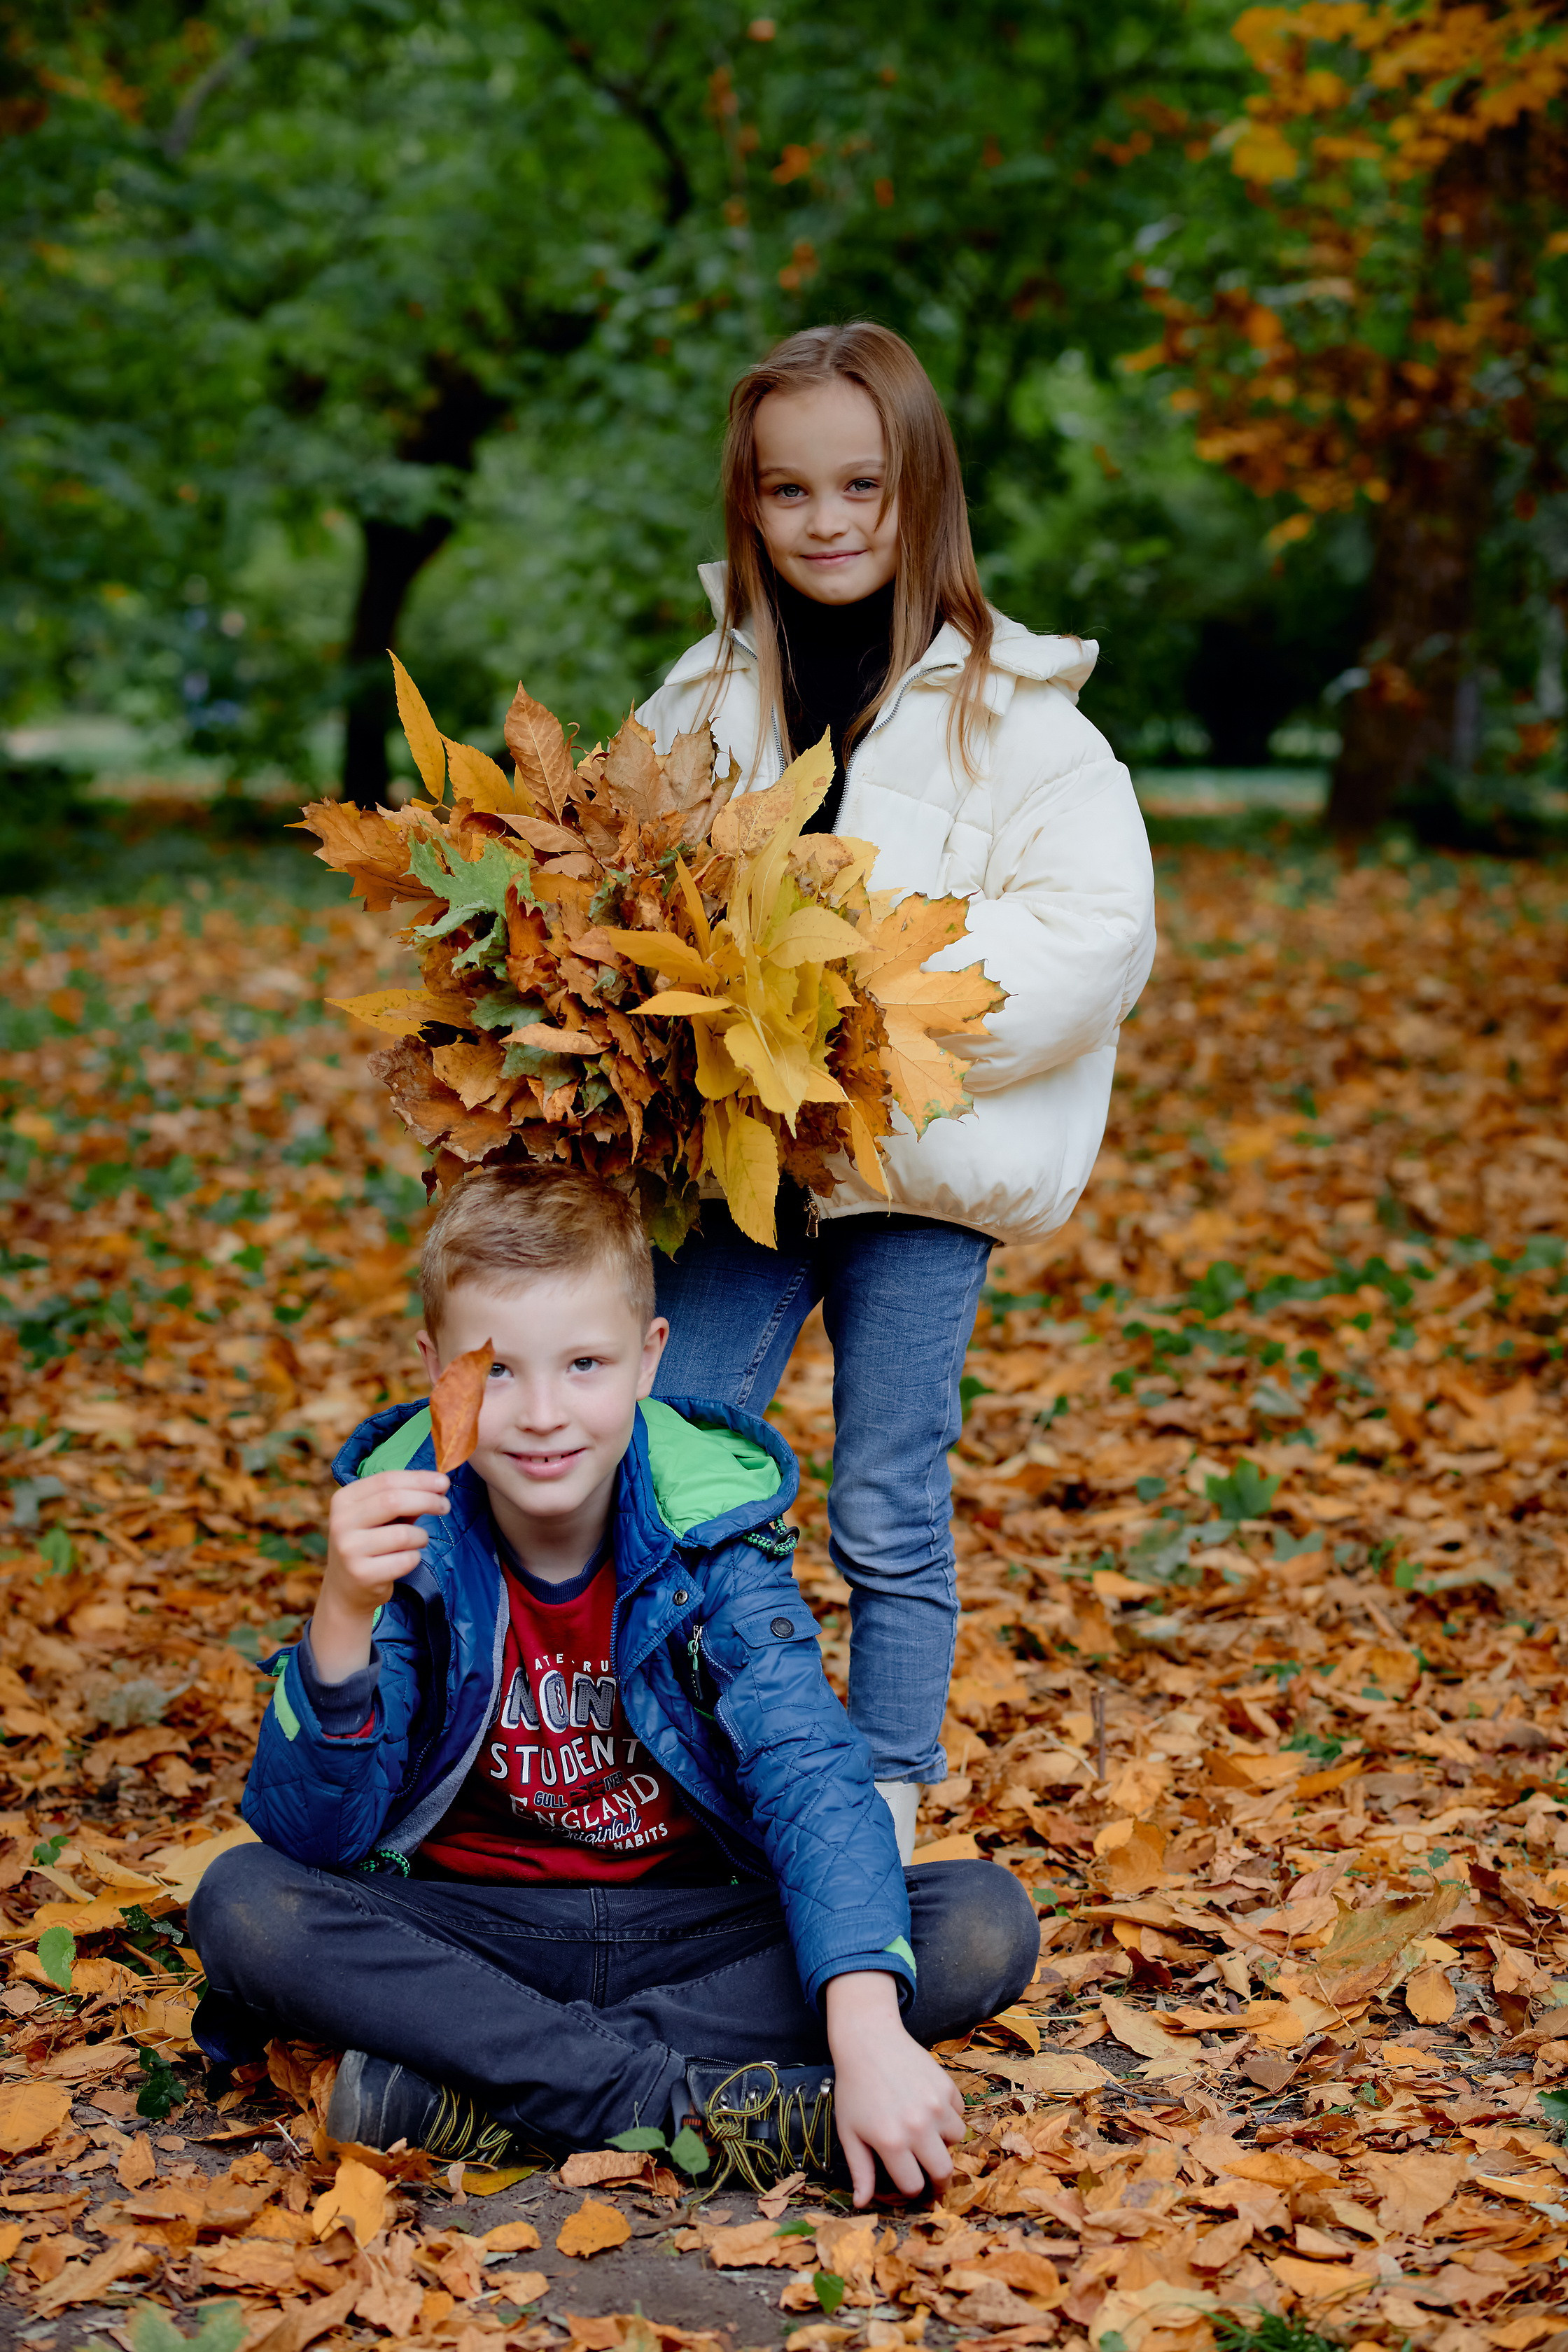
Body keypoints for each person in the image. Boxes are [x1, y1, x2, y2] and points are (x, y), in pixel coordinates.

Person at [190, 1166, 1039, 2201]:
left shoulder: (708, 1538)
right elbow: (318, 1838)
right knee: (243, 1902)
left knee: (979, 1920)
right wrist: (339, 1615)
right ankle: (682, 2111)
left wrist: (861, 2029)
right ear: (437, 1373)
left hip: (683, 1932)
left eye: (584, 1364)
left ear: (648, 1361)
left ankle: (479, 2100)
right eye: (497, 1371)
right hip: (477, 1931)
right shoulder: (414, 1535)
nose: (544, 1414)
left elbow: (810, 1774)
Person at [638, 323, 1156, 1862]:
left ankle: (880, 1792)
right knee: (675, 1434)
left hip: (917, 1165)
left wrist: (852, 1001)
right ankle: (690, 1751)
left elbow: (1090, 940)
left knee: (884, 1481)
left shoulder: (1026, 723)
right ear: (748, 506)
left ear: (921, 485)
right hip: (740, 1153)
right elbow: (625, 885)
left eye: (861, 482)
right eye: (787, 490)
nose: (827, 519)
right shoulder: (699, 699)